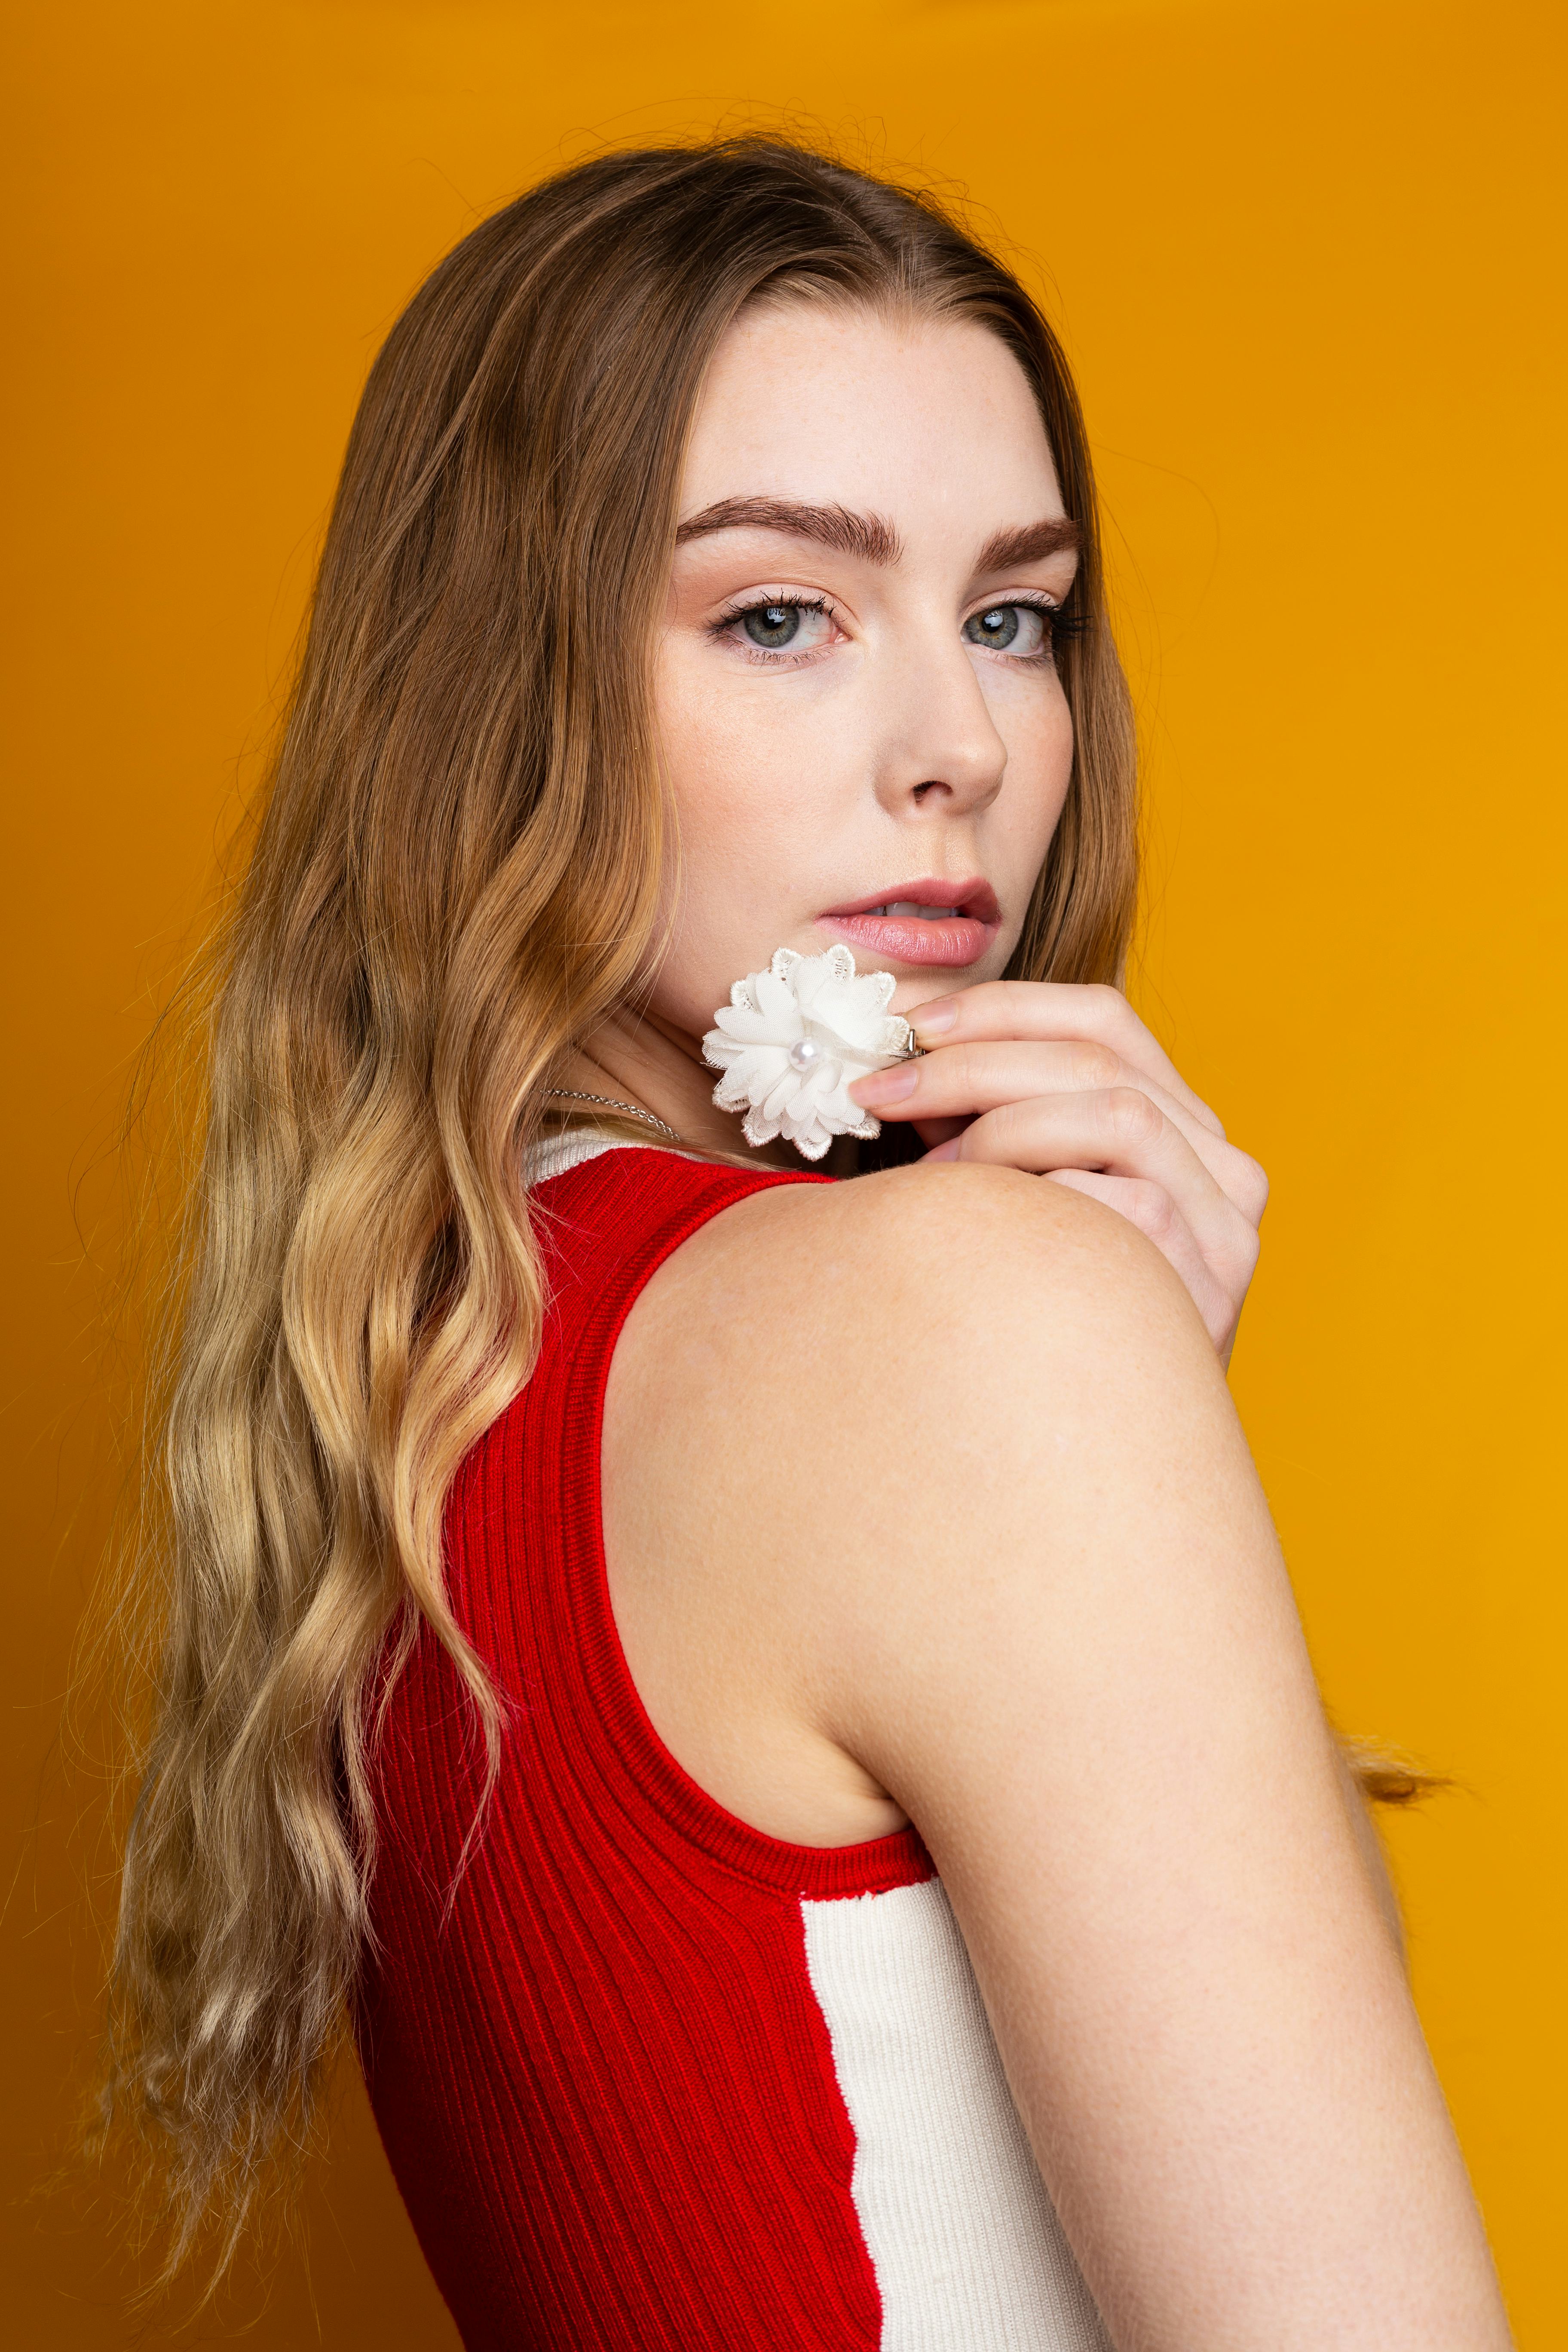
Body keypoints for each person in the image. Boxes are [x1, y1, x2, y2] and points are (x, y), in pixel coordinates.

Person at [107, 140, 1512, 2349]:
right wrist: (1087, 1386)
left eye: (1014, 617)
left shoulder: (421, 1360)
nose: (962, 748)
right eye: (780, 614)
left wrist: (1140, 1448)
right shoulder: (954, 1330)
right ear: (495, 694)